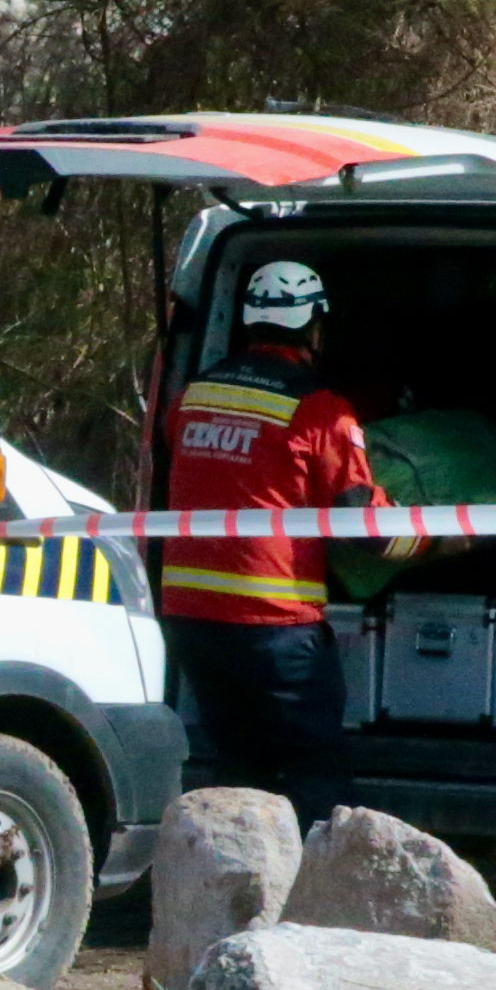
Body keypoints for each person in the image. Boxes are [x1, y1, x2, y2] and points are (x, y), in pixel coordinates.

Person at [161, 256, 375, 802]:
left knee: (237, 771)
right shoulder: (321, 410)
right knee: (314, 772)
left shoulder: (192, 397)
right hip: (275, 624)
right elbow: (360, 519)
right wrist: (440, 535)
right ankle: (309, 885)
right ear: (314, 326)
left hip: (192, 622)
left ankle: (240, 883)